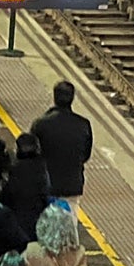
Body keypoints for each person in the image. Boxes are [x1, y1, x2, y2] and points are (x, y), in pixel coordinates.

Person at [30, 80, 93, 210]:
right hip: (72, 186)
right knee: (68, 225)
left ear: (54, 97)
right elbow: (86, 155)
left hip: (46, 186)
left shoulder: (41, 124)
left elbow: (32, 154)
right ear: (72, 98)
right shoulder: (83, 124)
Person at [0, 133, 52, 241]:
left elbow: (7, 196)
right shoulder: (42, 168)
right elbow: (46, 195)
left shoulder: (15, 169)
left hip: (17, 222)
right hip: (36, 223)